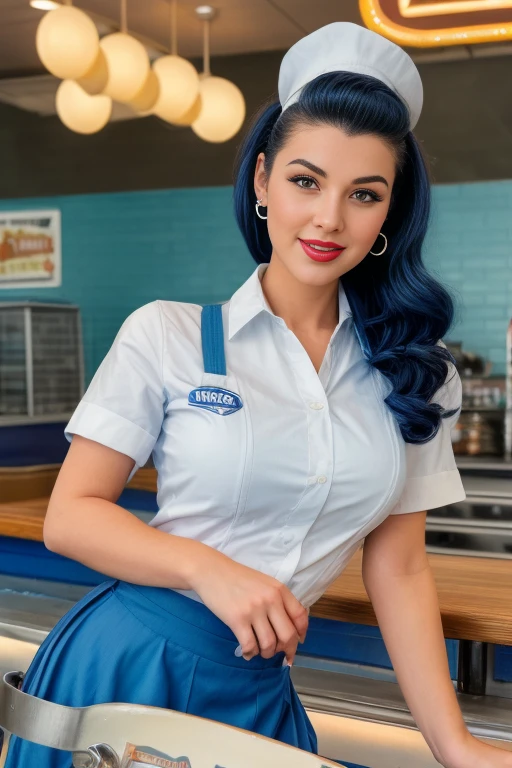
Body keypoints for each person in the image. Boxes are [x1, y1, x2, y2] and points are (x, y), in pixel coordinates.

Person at [5, 20, 512, 768]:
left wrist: (453, 744)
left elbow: (399, 567)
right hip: (126, 665)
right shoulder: (167, 335)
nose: (329, 218)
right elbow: (71, 517)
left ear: (389, 214)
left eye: (363, 194)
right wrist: (211, 570)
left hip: (259, 689)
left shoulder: (416, 373)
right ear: (263, 179)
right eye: (306, 180)